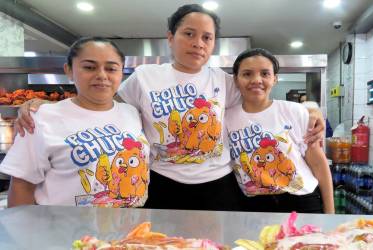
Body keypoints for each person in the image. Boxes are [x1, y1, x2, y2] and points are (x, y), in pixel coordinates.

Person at [13, 4, 325, 211]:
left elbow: (260, 99)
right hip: (162, 182)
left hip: (218, 183)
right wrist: (45, 104)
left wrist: (310, 108)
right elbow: (102, 106)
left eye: (207, 37)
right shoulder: (145, 77)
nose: (198, 43)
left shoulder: (223, 80)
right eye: (189, 34)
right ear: (171, 37)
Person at [0, 37, 150, 208]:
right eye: (89, 67)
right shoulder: (41, 119)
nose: (101, 75)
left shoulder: (130, 112)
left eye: (111, 68)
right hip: (66, 231)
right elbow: (22, 186)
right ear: (69, 70)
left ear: (121, 72)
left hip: (130, 228)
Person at [226, 48, 334, 213]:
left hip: (301, 202)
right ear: (236, 79)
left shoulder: (294, 111)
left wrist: (330, 213)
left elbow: (319, 164)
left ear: (274, 79)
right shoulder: (226, 118)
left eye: (265, 73)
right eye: (247, 74)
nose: (256, 80)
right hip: (252, 206)